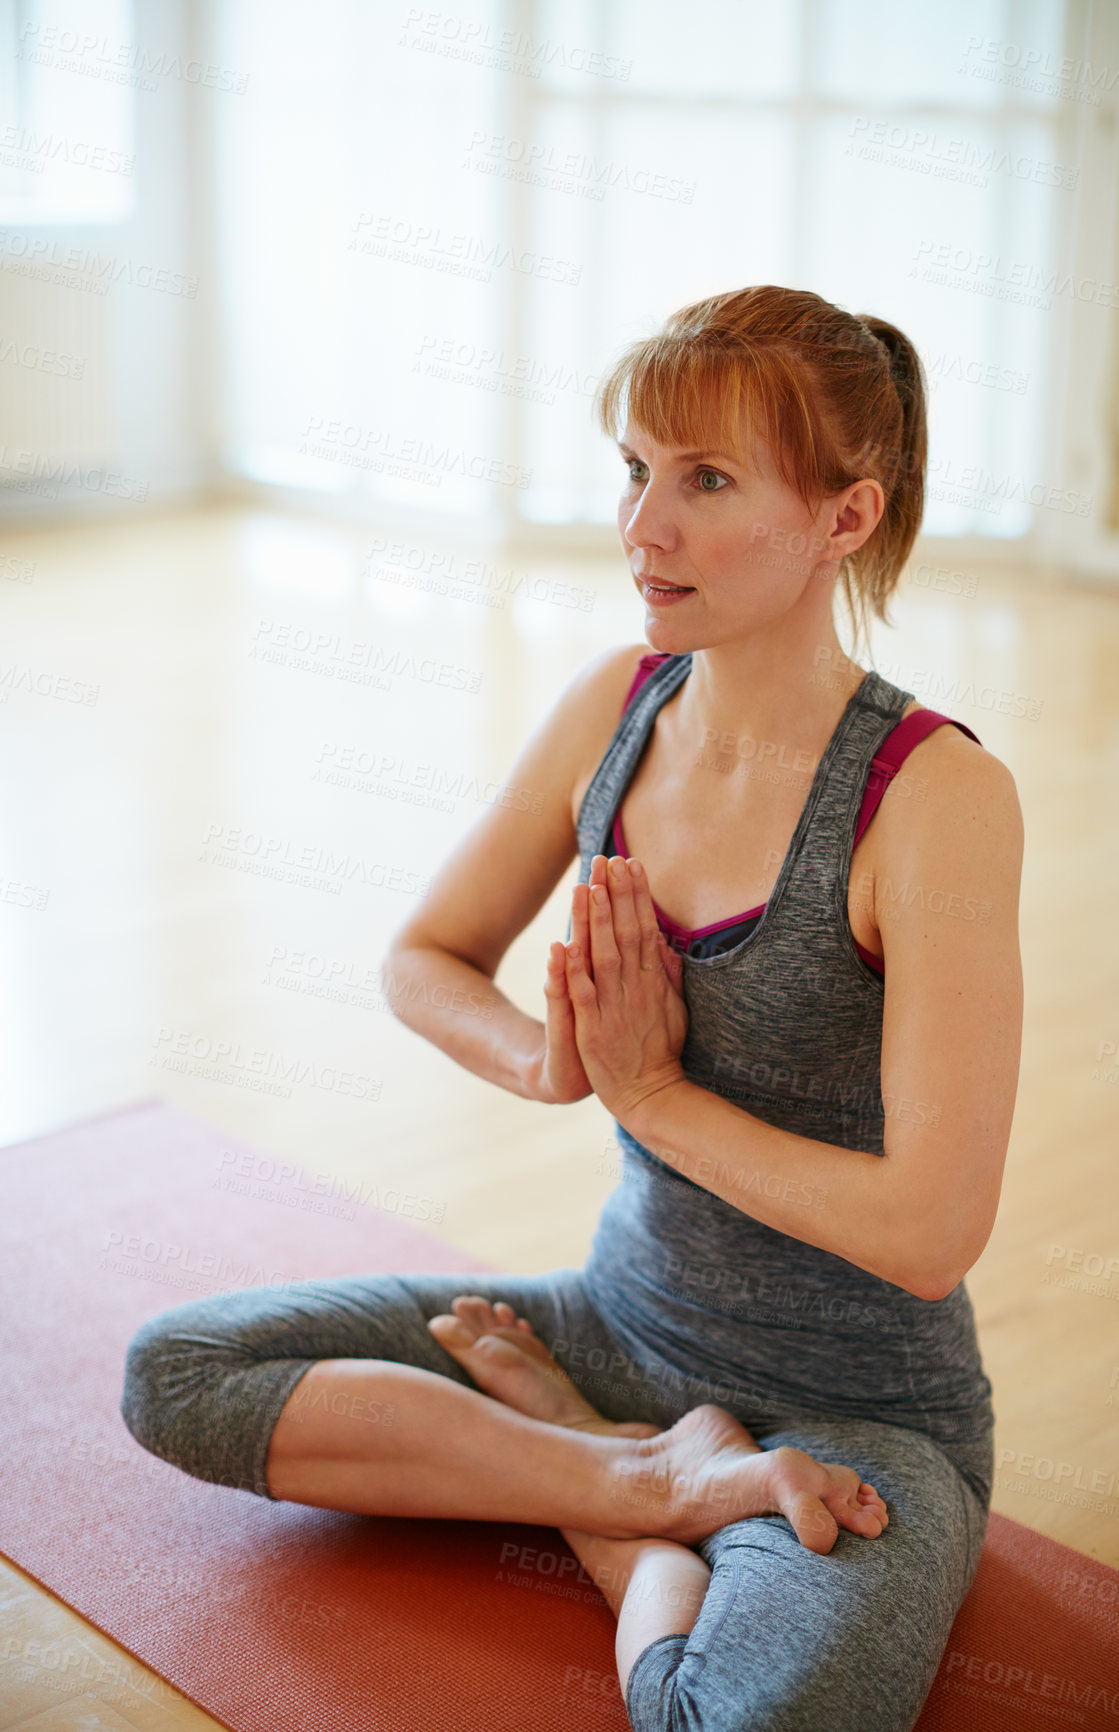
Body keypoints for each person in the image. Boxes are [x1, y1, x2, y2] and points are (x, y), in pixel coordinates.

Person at [120, 285, 1024, 1731]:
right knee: (183, 1371)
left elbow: (929, 1233)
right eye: (634, 469)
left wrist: (654, 1095)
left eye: (705, 481)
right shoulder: (619, 701)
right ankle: (641, 1476)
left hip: (860, 1413)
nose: (640, 526)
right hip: (613, 1316)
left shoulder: (933, 799)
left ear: (843, 520)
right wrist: (549, 1064)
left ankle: (573, 1459)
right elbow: (426, 954)